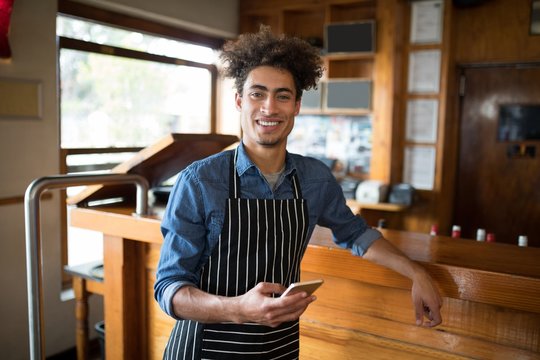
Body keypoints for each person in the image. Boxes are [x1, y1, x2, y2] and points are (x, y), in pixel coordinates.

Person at [154, 26, 442, 359]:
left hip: (278, 348)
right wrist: (240, 309)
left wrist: (417, 273)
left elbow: (357, 235)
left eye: (283, 95)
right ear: (239, 100)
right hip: (205, 349)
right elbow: (169, 290)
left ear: (297, 106)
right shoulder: (200, 181)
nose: (269, 107)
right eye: (257, 93)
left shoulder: (315, 179)